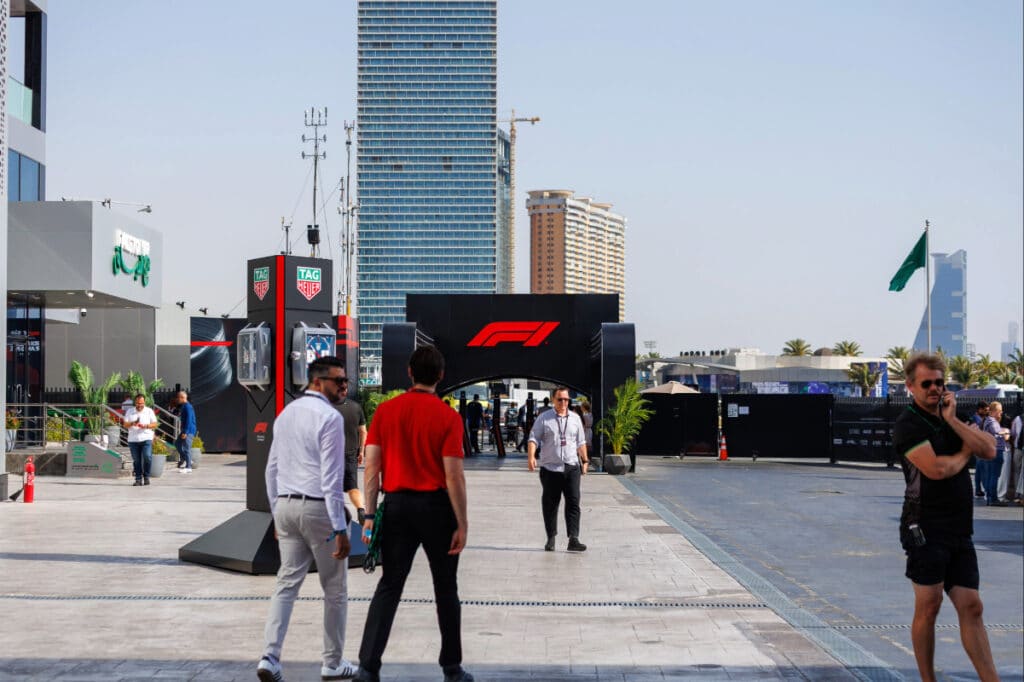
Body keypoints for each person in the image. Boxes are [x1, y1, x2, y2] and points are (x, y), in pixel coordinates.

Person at [354, 346, 473, 682]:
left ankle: (368, 667)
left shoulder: (386, 413)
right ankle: (452, 668)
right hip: (437, 509)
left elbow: (372, 467)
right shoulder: (448, 417)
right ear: (440, 375)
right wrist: (462, 522)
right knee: (446, 589)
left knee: (389, 585)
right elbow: (453, 475)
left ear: (409, 372)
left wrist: (369, 515)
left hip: (396, 507)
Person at [892, 353, 998, 682]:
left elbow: (991, 449)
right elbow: (937, 470)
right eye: (927, 384)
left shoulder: (954, 415)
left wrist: (952, 422)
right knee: (930, 604)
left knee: (972, 606)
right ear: (910, 386)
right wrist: (965, 451)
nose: (935, 389)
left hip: (958, 527)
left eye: (940, 382)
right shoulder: (907, 425)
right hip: (923, 525)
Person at [258, 356, 355, 682]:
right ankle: (332, 663)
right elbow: (331, 479)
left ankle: (269, 658)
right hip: (319, 511)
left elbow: (271, 470)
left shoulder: (285, 414)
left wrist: (275, 513)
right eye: (337, 381)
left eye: (345, 381)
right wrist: (340, 527)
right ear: (317, 382)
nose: (343, 386)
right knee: (335, 589)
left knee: (285, 585)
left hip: (285, 506)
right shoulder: (330, 418)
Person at [527, 386, 589, 552]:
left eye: (566, 399)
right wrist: (531, 456)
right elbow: (533, 438)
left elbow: (581, 442)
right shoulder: (544, 418)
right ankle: (551, 537)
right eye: (560, 399)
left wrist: (585, 460)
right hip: (550, 469)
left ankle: (573, 538)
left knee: (574, 502)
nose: (563, 402)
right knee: (550, 504)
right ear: (553, 400)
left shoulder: (575, 418)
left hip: (572, 467)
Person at [334, 389, 368, 523]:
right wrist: (361, 452)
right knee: (353, 487)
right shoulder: (356, 407)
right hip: (350, 454)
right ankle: (360, 509)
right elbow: (363, 432)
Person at [122, 394, 157, 486]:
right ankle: (138, 479)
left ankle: (146, 477)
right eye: (138, 403)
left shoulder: (149, 411)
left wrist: (146, 426)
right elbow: (125, 425)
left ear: (144, 402)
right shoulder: (130, 411)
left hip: (146, 438)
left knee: (147, 457)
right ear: (135, 402)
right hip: (133, 440)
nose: (140, 405)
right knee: (136, 460)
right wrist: (133, 423)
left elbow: (154, 424)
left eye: (141, 403)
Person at [981, 401, 1010, 507]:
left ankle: (990, 498)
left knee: (990, 475)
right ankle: (993, 499)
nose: (1001, 413)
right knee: (994, 476)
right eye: (1000, 410)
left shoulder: (988, 420)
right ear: (994, 411)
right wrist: (1007, 432)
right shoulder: (992, 421)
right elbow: (996, 432)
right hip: (996, 450)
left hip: (990, 450)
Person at [173, 391, 197, 473]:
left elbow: (189, 420)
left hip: (189, 430)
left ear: (182, 398)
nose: (177, 399)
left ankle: (188, 467)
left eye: (178, 397)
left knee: (187, 448)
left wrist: (185, 432)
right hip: (185, 430)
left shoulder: (187, 407)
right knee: (177, 444)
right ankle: (186, 459)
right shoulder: (184, 406)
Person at [971, 401, 989, 498]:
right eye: (985, 410)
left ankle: (978, 489)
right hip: (978, 445)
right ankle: (984, 488)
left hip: (979, 445)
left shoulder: (980, 418)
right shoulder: (976, 419)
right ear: (980, 409)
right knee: (982, 468)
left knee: (978, 469)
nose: (987, 412)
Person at [1011, 413, 1024, 505]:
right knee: (1017, 470)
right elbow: (1013, 434)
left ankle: (1019, 494)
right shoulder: (1017, 419)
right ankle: (1017, 494)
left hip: (1018, 447)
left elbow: (1013, 433)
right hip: (1018, 448)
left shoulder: (1017, 419)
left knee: (1018, 471)